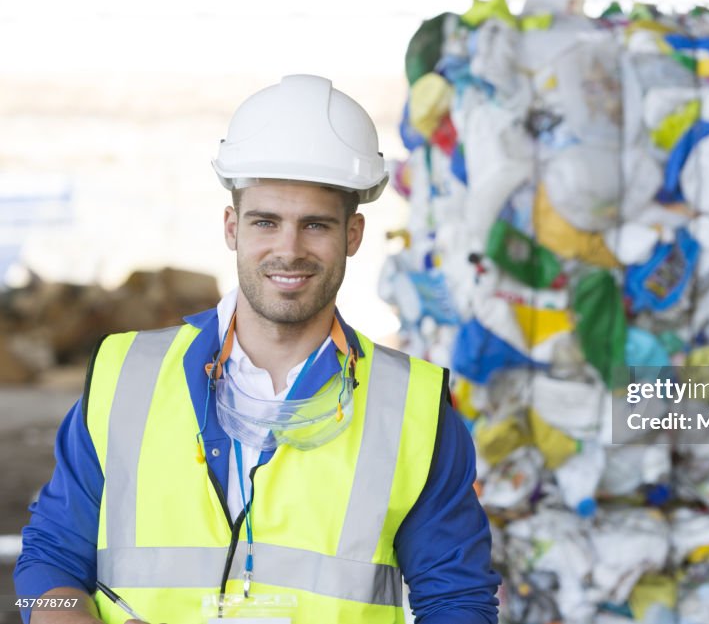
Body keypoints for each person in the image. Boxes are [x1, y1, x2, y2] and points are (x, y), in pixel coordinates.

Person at [15, 75, 501, 624]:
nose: (288, 250)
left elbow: (458, 602)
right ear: (232, 227)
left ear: (353, 235)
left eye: (315, 225)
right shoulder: (126, 375)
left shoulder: (413, 408)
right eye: (266, 221)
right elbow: (45, 566)